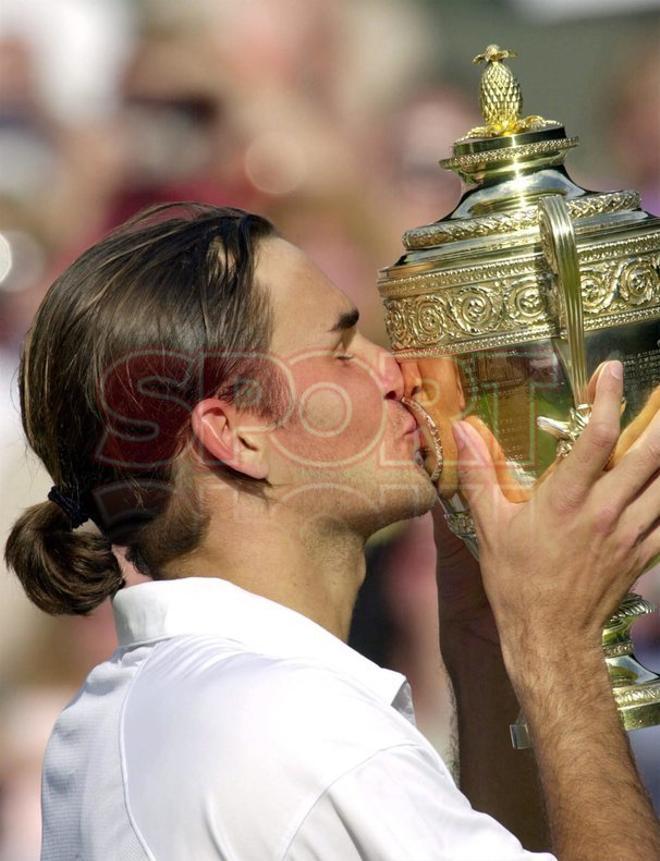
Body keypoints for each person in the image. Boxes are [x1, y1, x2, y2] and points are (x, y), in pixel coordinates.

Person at [4, 203, 660, 860]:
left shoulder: (112, 714)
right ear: (235, 435)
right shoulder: (296, 725)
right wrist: (558, 642)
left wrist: (482, 630)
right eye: (344, 348)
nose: (399, 371)